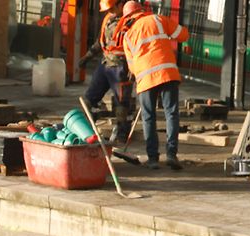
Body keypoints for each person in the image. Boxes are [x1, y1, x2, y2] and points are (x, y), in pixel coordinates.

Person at [120, 0, 188, 170]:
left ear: (127, 17)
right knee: (171, 113)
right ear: (141, 10)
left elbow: (132, 67)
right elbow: (183, 35)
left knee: (148, 117)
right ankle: (171, 154)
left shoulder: (127, 37)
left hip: (145, 79)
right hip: (168, 74)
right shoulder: (158, 19)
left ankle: (153, 159)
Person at [77, 0, 132, 140]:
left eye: (112, 9)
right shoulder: (108, 19)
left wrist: (134, 68)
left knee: (121, 102)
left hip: (121, 67)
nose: (110, 12)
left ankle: (122, 131)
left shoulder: (130, 22)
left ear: (121, 5)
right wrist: (87, 57)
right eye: (109, 9)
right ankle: (85, 127)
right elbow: (100, 42)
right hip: (106, 63)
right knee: (90, 97)